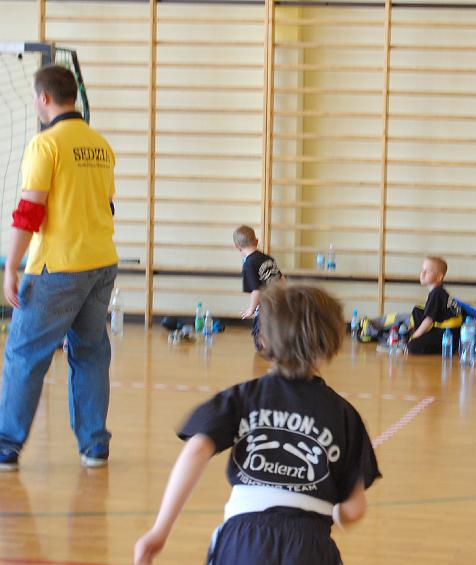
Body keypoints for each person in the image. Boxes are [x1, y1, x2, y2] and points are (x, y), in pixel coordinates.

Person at [133, 284, 381, 565]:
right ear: (332, 341)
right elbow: (355, 508)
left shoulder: (243, 397)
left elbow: (196, 450)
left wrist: (159, 531)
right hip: (311, 545)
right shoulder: (345, 415)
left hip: (243, 538)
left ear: (263, 339)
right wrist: (334, 514)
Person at [0, 64, 118, 472]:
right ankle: (94, 446)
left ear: (44, 98)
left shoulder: (45, 144)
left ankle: (6, 445)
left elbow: (30, 210)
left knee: (24, 354)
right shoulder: (100, 145)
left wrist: (10, 266)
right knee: (90, 353)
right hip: (101, 263)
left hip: (57, 267)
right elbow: (107, 206)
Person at [233, 225, 283, 351]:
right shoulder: (268, 258)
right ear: (256, 241)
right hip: (279, 301)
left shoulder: (249, 263)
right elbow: (282, 279)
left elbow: (256, 291)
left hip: (266, 305)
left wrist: (251, 310)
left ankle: (269, 351)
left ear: (237, 246)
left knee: (261, 336)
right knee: (275, 330)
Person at [407, 256, 462, 355]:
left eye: (427, 271)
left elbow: (429, 320)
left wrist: (414, 337)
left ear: (439, 277)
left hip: (448, 335)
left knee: (413, 345)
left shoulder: (437, 293)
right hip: (443, 329)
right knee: (417, 311)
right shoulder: (437, 292)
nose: (423, 273)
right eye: (422, 270)